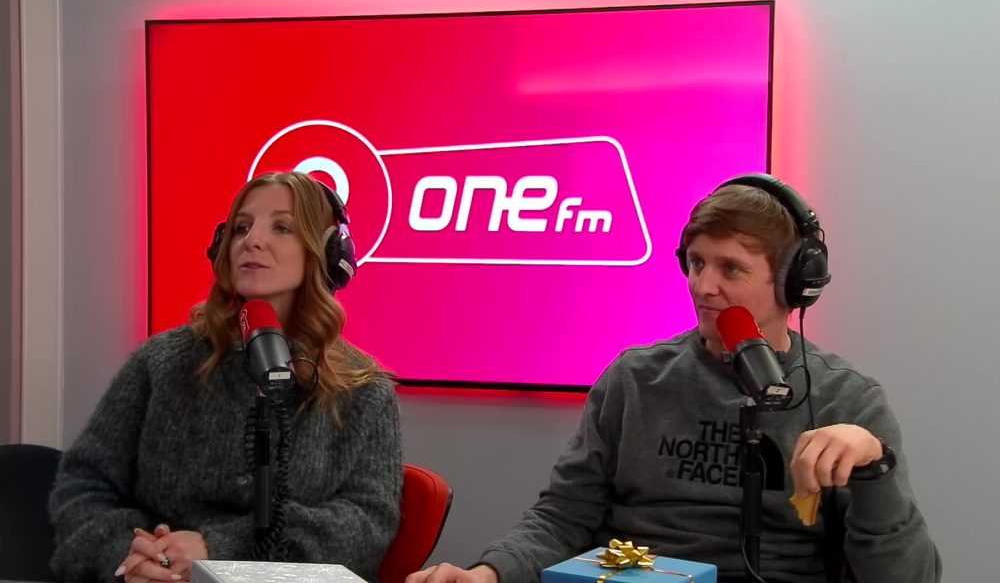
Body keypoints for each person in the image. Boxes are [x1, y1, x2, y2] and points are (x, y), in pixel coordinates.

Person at [407, 174, 941, 583]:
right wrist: (489, 573)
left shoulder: (846, 400)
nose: (702, 286)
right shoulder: (635, 378)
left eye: (731, 269)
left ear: (793, 283)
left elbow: (908, 576)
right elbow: (565, 515)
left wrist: (875, 471)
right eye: (696, 263)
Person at [49, 171, 403, 583]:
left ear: (325, 254)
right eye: (241, 228)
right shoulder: (160, 363)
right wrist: (130, 555)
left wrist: (218, 550)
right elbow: (84, 485)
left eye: (282, 227)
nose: (252, 240)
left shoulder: (365, 390)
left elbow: (366, 526)